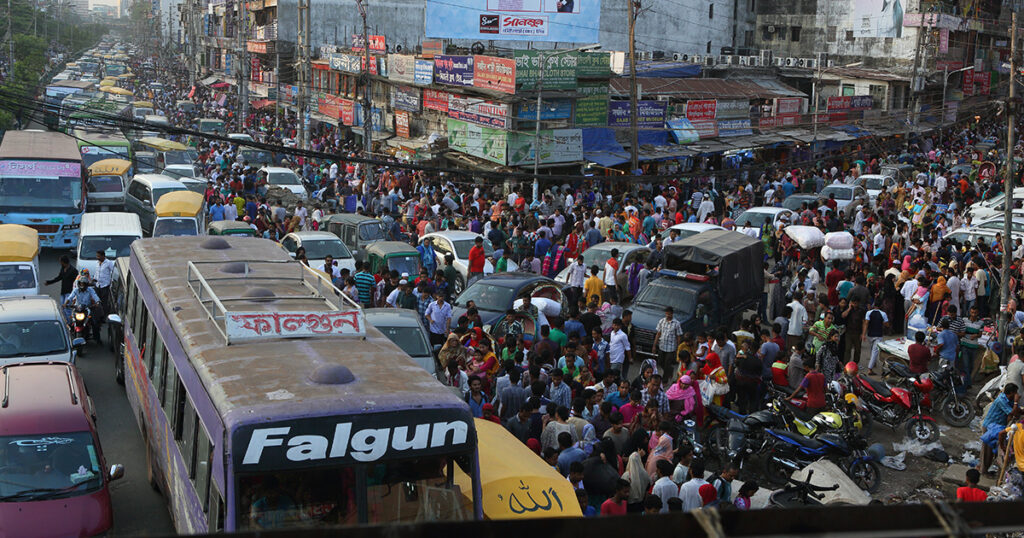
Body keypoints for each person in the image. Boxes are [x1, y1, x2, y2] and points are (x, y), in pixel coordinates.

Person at [981, 384, 1018, 476]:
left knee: (993, 450)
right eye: (1015, 393)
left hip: (997, 427)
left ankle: (985, 469)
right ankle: (983, 471)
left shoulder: (1008, 399)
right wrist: (1016, 402)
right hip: (990, 427)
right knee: (987, 451)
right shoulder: (1001, 400)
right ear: (1011, 393)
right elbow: (1012, 412)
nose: (1017, 394)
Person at [654, 306, 683, 378]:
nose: (668, 316)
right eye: (666, 314)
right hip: (662, 346)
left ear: (672, 314)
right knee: (660, 362)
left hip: (671, 348)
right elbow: (658, 333)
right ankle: (670, 370)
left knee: (667, 364)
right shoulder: (661, 321)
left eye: (669, 314)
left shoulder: (676, 323)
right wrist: (654, 345)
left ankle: (665, 379)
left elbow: (678, 336)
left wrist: (678, 348)